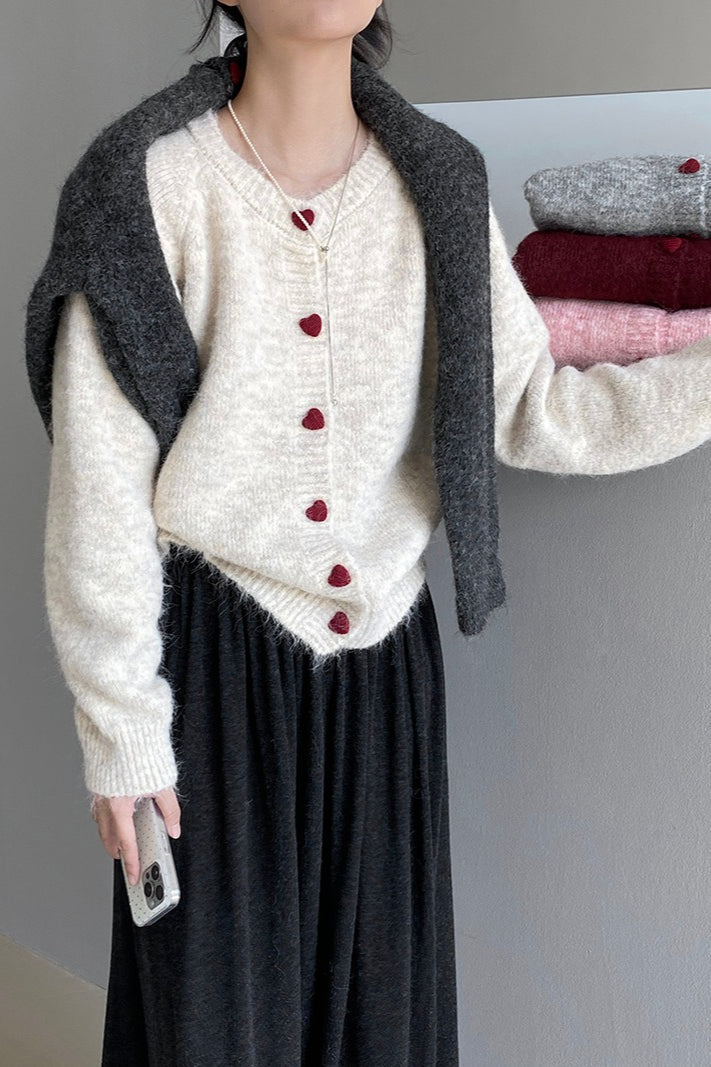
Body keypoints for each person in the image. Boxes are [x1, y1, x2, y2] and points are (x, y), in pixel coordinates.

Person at [26, 1, 711, 1064]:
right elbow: (99, 489)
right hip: (211, 683)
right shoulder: (143, 186)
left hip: (388, 677)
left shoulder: (438, 182)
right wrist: (122, 732)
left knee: (382, 1029)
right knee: (214, 1031)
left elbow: (531, 405)